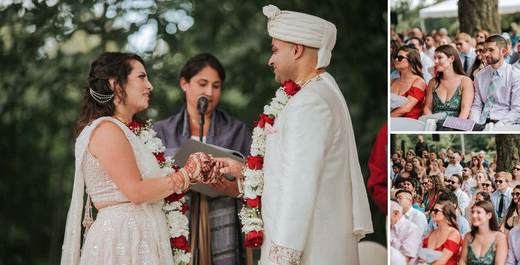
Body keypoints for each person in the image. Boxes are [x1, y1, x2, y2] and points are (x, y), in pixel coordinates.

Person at [214, 6, 373, 264]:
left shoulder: (311, 103)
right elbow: (290, 171)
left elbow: (300, 187)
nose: (270, 60)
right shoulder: (317, 92)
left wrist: (281, 258)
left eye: (275, 50)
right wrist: (245, 173)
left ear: (297, 50)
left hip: (308, 251)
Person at [60, 51, 223, 264]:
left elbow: (153, 186)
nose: (150, 86)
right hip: (122, 240)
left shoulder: (132, 133)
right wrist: (185, 174)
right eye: (141, 77)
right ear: (115, 85)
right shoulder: (106, 130)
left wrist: (195, 174)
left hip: (143, 237)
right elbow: (136, 191)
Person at [151, 53, 251, 264]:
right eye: (202, 83)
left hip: (223, 215)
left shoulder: (236, 130)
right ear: (184, 83)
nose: (210, 92)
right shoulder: (161, 130)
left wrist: (237, 188)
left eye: (216, 86)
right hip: (179, 216)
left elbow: (257, 177)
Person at [469, 35, 520, 128]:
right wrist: (474, 125)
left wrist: (497, 127)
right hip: (482, 122)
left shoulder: (516, 75)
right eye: (485, 50)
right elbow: (477, 105)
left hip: (505, 124)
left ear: (503, 51)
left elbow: (517, 110)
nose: (486, 54)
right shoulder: (480, 75)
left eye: (491, 50)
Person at [423, 45, 474, 119]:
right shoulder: (433, 82)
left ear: (452, 58)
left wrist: (455, 128)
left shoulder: (465, 81)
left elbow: (465, 109)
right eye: (435, 58)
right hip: (435, 125)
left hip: (456, 126)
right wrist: (432, 123)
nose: (436, 61)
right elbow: (427, 107)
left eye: (440, 57)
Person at [458, 200, 507, 265]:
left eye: (478, 212)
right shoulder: (469, 236)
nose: (474, 215)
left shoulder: (499, 237)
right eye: (473, 212)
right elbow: (463, 261)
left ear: (489, 215)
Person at [417, 200, 461, 265]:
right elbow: (421, 258)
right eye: (432, 210)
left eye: (436, 211)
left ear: (446, 213)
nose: (432, 213)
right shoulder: (430, 233)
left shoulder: (454, 233)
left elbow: (441, 261)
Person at [390, 46, 426, 119]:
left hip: (409, 124)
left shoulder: (418, 81)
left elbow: (406, 108)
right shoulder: (393, 81)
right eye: (396, 57)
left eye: (400, 58)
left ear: (411, 61)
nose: (396, 60)